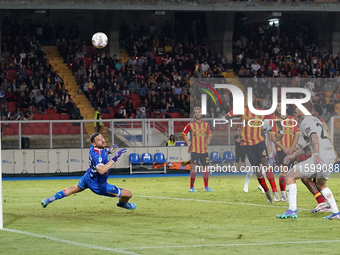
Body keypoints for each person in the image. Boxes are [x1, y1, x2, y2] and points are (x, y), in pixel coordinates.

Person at [276, 101, 339, 219]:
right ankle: (336, 212)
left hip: (320, 156)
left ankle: (292, 210)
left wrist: (315, 154)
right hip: (330, 156)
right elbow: (310, 144)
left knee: (289, 176)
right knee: (321, 185)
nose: (296, 110)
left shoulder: (306, 121)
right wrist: (294, 154)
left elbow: (314, 137)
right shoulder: (317, 120)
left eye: (298, 108)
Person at [41, 133, 136, 210]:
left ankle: (49, 199)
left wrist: (108, 151)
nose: (102, 140)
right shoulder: (98, 156)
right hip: (98, 185)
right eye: (99, 140)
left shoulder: (94, 147)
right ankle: (122, 204)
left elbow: (100, 150)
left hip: (88, 177)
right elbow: (101, 171)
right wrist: (115, 158)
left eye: (102, 137)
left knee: (74, 188)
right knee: (128, 194)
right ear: (94, 143)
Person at [223, 93, 283, 203]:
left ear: (256, 99)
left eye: (252, 97)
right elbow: (225, 117)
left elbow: (276, 119)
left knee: (266, 163)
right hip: (247, 144)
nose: (250, 99)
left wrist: (282, 131)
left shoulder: (262, 112)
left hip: (259, 142)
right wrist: (232, 125)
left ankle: (275, 192)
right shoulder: (242, 110)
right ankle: (267, 192)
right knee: (258, 171)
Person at [300, 103, 335, 213]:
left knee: (306, 178)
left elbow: (319, 139)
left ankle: (324, 203)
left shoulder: (314, 122)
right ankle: (326, 205)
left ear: (316, 113)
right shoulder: (318, 123)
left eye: (311, 111)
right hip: (326, 154)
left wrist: (316, 154)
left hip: (322, 155)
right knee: (315, 181)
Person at [270, 102, 300, 201]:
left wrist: (291, 147)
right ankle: (283, 195)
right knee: (283, 172)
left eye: (281, 105)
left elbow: (297, 135)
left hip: (292, 150)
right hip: (280, 150)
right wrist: (284, 148)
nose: (279, 107)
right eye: (277, 106)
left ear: (286, 107)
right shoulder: (274, 121)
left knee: (292, 173)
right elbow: (273, 138)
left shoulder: (293, 119)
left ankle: (289, 193)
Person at [182, 107, 213, 192]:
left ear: (201, 114)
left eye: (199, 112)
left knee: (206, 168)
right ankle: (191, 187)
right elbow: (183, 134)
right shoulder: (190, 125)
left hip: (204, 150)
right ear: (194, 114)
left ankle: (206, 187)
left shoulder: (206, 124)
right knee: (195, 168)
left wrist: (209, 139)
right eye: (196, 112)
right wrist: (188, 144)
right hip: (195, 150)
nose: (198, 114)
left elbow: (210, 134)